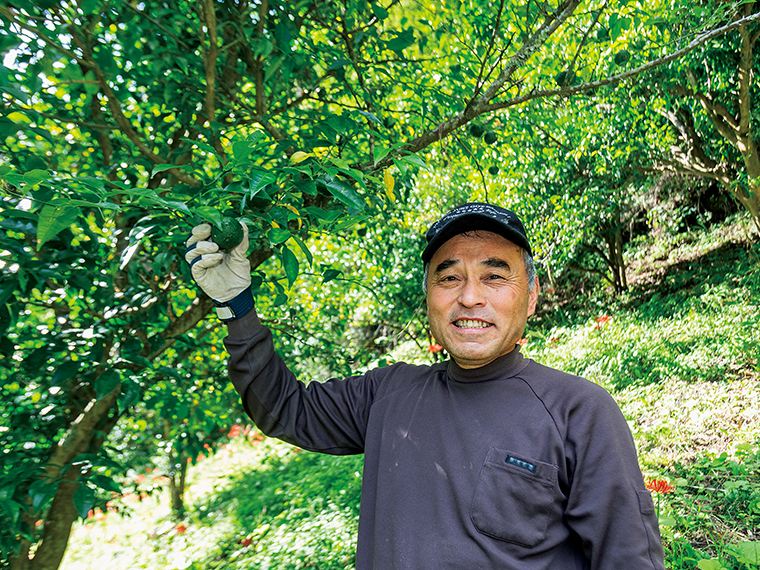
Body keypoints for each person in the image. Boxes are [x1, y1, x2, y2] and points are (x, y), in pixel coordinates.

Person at [184, 202, 665, 570]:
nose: (470, 297)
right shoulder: (387, 395)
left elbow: (627, 558)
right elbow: (284, 409)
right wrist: (236, 305)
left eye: (495, 275)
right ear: (428, 298)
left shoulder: (578, 411)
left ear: (532, 294)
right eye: (449, 277)